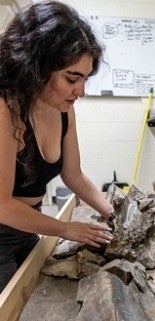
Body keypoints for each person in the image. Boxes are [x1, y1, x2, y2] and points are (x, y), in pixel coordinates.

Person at [0, 0, 115, 292]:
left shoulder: (64, 108)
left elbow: (73, 175)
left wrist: (113, 213)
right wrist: (68, 229)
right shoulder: (4, 108)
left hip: (28, 228)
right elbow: (2, 205)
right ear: (36, 67)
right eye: (72, 78)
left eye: (85, 79)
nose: (81, 92)